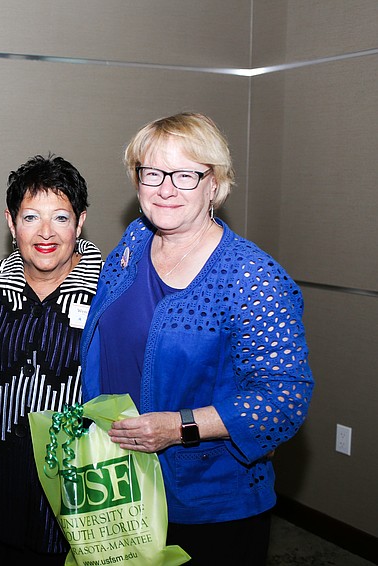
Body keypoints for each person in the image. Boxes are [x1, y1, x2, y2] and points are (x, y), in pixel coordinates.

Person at [79, 112, 314, 565]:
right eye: (153, 172)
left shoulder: (251, 277)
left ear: (215, 183)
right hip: (119, 486)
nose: (166, 188)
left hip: (209, 508)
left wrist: (178, 426)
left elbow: (285, 398)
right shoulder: (132, 244)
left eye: (185, 174)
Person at [0, 155, 102, 565]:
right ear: (11, 224)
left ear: (79, 223)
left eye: (60, 218)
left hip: (77, 502)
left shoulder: (110, 294)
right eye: (31, 218)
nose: (46, 233)